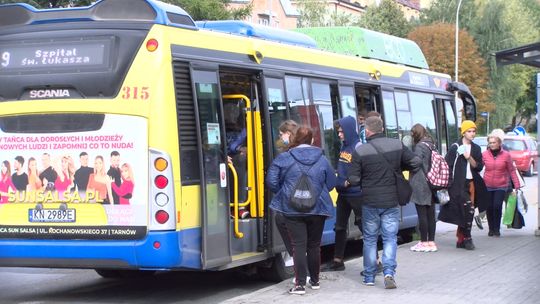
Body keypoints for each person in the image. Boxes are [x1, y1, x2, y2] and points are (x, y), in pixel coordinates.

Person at [348, 116, 421, 289]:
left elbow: (353, 179)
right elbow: (416, 162)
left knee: (370, 239)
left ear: (367, 131)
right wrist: (398, 169)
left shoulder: (361, 151)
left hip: (370, 202)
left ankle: (369, 277)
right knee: (390, 238)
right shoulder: (396, 144)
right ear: (382, 128)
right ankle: (389, 273)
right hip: (391, 201)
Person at [266, 126, 336, 295]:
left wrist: (286, 194)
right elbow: (332, 183)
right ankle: (315, 280)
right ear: (312, 140)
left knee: (298, 246)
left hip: (292, 209)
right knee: (314, 246)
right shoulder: (322, 158)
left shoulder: (284, 158)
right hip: (317, 208)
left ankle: (299, 285)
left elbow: (271, 181)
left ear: (295, 138)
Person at [439, 120, 488, 250]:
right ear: (463, 133)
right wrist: (447, 184)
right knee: (467, 209)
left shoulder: (476, 148)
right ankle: (467, 238)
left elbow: (478, 167)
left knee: (468, 210)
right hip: (458, 184)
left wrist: (468, 157)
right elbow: (447, 166)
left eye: (474, 131)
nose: (472, 134)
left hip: (472, 183)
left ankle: (461, 239)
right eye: (469, 131)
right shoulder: (455, 147)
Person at [322, 116, 362, 271]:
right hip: (343, 194)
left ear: (349, 130)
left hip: (356, 194)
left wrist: (348, 182)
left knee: (364, 226)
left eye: (341, 131)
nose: (339, 134)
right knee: (339, 227)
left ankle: (376, 261)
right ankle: (338, 261)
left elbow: (362, 170)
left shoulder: (358, 147)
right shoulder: (344, 147)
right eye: (338, 132)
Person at [482, 130, 522, 237]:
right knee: (489, 207)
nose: (491, 145)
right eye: (490, 143)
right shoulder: (484, 155)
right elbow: (478, 168)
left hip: (501, 185)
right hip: (487, 185)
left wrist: (516, 185)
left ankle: (497, 229)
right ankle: (491, 229)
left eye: (494, 142)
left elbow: (512, 170)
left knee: (497, 206)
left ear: (499, 143)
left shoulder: (506, 155)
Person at [409, 124, 438, 252]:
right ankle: (431, 242)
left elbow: (416, 163)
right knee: (431, 214)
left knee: (422, 214)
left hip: (421, 183)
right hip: (432, 182)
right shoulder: (431, 144)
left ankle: (423, 242)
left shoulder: (420, 146)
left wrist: (408, 165)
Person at [274, 120, 299, 258]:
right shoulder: (311, 150)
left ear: (288, 134)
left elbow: (272, 180)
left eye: (281, 134)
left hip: (290, 202)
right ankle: (312, 276)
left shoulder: (284, 155)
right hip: (311, 204)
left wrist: (281, 190)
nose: (280, 138)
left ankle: (303, 275)